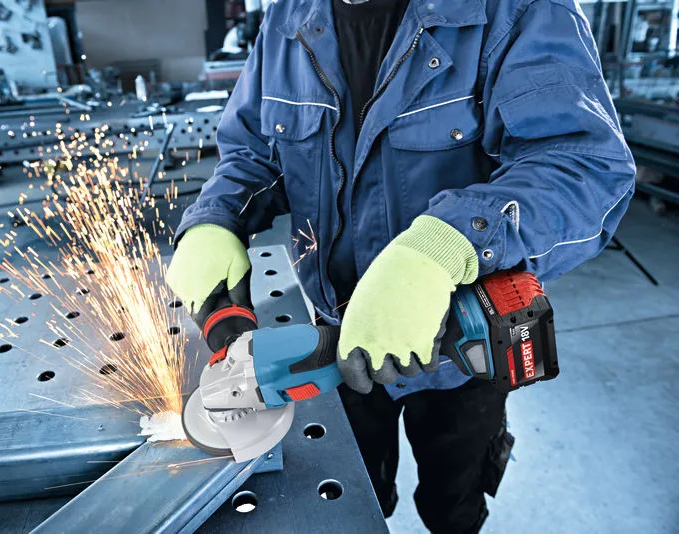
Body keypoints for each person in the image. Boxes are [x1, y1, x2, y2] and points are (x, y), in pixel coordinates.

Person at [166, 0, 636, 531]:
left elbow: (584, 166)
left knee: (452, 504)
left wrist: (442, 249)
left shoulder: (518, 8)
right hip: (338, 334)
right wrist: (215, 217)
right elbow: (254, 151)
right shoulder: (286, 17)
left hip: (460, 349)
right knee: (357, 500)